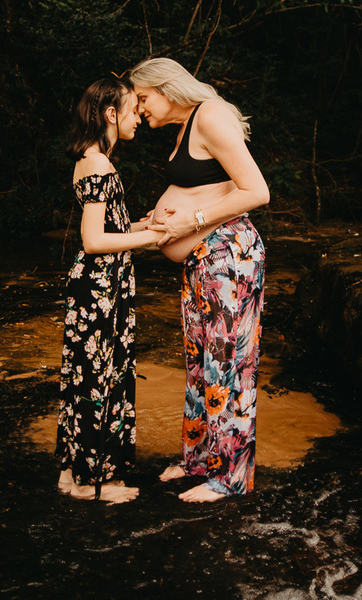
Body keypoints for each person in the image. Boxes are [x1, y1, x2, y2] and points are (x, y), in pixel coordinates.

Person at [128, 57, 271, 503]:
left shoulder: (209, 115)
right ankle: (198, 458)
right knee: (199, 363)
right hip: (202, 260)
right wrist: (157, 221)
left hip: (230, 256)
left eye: (143, 98)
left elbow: (256, 190)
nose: (140, 108)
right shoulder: (188, 126)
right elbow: (206, 188)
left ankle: (229, 477)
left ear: (166, 88)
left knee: (227, 365)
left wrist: (191, 220)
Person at [57, 76, 162, 503]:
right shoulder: (99, 163)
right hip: (99, 291)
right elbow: (95, 241)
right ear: (110, 113)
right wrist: (154, 239)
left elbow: (109, 228)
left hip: (100, 289)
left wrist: (145, 223)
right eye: (133, 109)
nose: (139, 116)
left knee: (85, 378)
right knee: (99, 379)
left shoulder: (91, 158)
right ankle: (94, 485)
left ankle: (72, 475)